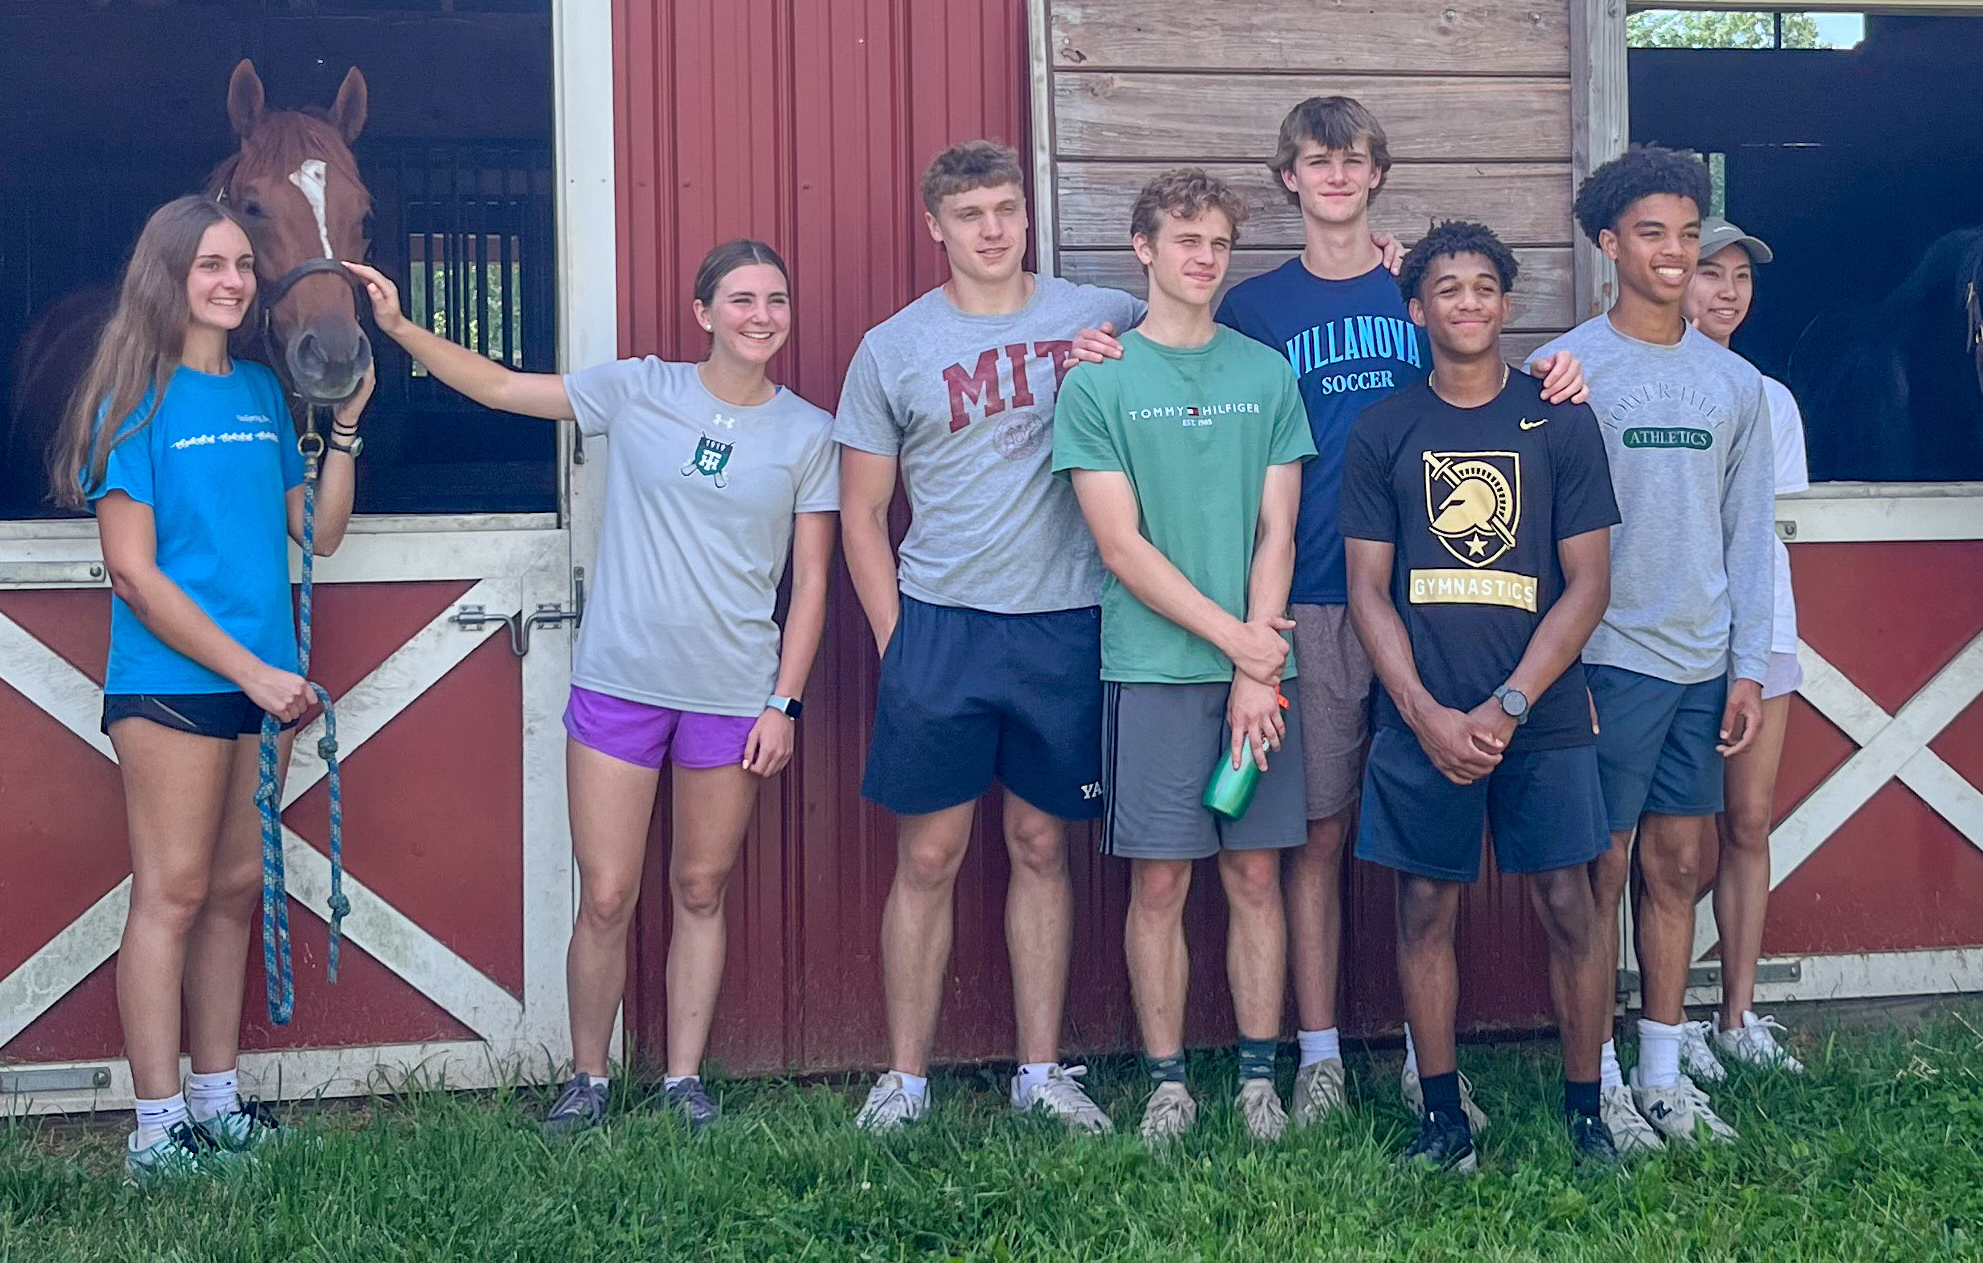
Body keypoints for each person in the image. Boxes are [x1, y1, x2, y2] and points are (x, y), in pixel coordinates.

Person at [348, 238, 836, 1131]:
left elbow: (810, 581)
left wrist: (785, 700)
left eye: (775, 299)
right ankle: (588, 1080)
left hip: (734, 695)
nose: (760, 316)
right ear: (703, 314)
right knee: (606, 893)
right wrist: (399, 328)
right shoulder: (642, 390)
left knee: (700, 887)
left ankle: (683, 1082)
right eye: (740, 299)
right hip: (622, 683)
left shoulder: (808, 432)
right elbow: (502, 388)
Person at [1216, 95, 1586, 1129]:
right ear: (1286, 176)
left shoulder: (1415, 285)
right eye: (1314, 159)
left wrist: (1565, 362)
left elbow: (1495, 372)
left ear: (1377, 173)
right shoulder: (1256, 308)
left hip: (1454, 601)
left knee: (1433, 842)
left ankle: (1428, 1062)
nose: (1335, 174)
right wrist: (1093, 347)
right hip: (1327, 596)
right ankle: (1324, 1050)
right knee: (1323, 832)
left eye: (1354, 158)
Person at [57, 193, 369, 1182]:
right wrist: (253, 672)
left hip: (259, 683)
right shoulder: (131, 402)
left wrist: (347, 433)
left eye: (240, 264)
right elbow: (136, 573)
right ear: (168, 276)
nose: (233, 281)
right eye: (211, 266)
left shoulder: (260, 396)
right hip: (173, 683)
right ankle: (155, 1127)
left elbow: (313, 533)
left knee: (235, 889)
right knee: (174, 892)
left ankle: (216, 1099)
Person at [835, 140, 1142, 1135]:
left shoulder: (1098, 316)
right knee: (928, 854)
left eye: (1006, 208)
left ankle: (1041, 1071)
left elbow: (1200, 326)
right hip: (942, 623)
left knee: (1041, 841)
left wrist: (1383, 260)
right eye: (970, 213)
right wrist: (895, 638)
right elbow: (861, 510)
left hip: (1063, 618)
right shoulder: (892, 347)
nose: (993, 228)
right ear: (935, 226)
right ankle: (904, 1077)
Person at [1342, 223, 1623, 1175]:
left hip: (1538, 715)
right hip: (1422, 717)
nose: (1467, 304)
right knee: (1424, 907)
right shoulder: (1385, 428)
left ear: (1507, 303)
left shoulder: (1561, 420)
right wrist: (1424, 712)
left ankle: (1588, 1116)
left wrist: (1507, 703)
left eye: (1484, 288)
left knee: (1570, 905)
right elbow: (1367, 590)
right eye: (1446, 290)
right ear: (1416, 310)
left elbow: (1587, 583)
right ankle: (1441, 1119)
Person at [1052, 168, 1314, 1146]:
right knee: (1159, 882)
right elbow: (1120, 545)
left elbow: (1275, 530)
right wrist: (1239, 642)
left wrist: (1257, 664)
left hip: (1253, 679)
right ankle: (1168, 1083)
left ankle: (1256, 1079)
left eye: (1215, 242)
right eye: (1183, 239)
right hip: (1154, 672)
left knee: (1253, 875)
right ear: (1144, 249)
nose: (1202, 257)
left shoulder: (1264, 371)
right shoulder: (1100, 378)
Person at [1541, 147, 1775, 1150]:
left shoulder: (1734, 382)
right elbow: (1538, 532)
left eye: (1686, 231)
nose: (1674, 251)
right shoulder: (1564, 369)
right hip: (1604, 664)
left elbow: (1747, 533)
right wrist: (1556, 676)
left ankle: (1664, 1073)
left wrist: (1747, 665)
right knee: (1603, 868)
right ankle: (1592, 1082)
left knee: (1677, 866)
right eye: (1651, 231)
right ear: (1608, 244)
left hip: (1698, 662)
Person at [1685, 219, 1810, 1079]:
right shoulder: (1641, 379)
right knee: (1673, 839)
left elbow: (1775, 526)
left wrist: (1759, 650)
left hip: (1763, 636)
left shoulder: (1772, 398)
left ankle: (1736, 1012)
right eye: (1708, 273)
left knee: (1748, 821)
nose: (1727, 291)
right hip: (1674, 638)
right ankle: (1658, 1015)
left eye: (1740, 276)